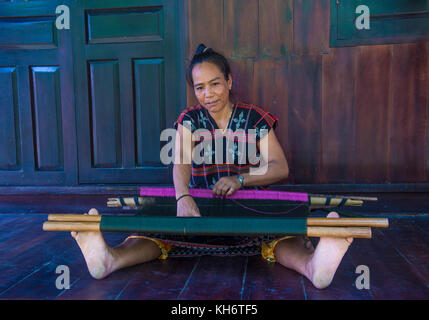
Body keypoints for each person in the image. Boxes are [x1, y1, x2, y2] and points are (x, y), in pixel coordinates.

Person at [71, 44, 353, 289]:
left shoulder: (254, 119)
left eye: (215, 84)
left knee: (281, 236)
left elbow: (279, 167)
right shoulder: (190, 119)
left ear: (229, 82)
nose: (208, 94)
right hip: (199, 210)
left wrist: (241, 180)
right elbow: (180, 160)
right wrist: (183, 199)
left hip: (250, 210)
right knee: (156, 233)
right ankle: (108, 260)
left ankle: (314, 267)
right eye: (200, 87)